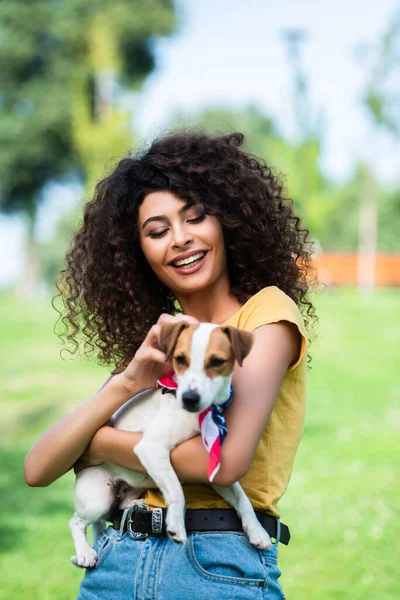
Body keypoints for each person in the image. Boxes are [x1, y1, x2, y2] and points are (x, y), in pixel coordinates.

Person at [24, 130, 317, 600]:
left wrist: (96, 441)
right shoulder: (161, 342)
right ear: (137, 251)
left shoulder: (266, 317)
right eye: (157, 231)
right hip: (115, 561)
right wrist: (124, 385)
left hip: (216, 566)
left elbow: (221, 463)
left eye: (195, 218)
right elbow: (38, 468)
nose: (180, 240)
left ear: (226, 220)